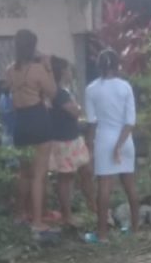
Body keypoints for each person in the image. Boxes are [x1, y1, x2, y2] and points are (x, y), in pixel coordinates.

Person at [6, 30, 57, 236]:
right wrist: (49, 68)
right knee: (38, 175)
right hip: (38, 120)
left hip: (20, 122)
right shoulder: (38, 70)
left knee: (23, 173)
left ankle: (20, 214)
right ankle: (37, 221)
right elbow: (53, 92)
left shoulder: (10, 70)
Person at [85, 49, 139, 243]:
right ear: (117, 65)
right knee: (130, 185)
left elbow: (92, 122)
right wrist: (119, 145)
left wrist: (90, 147)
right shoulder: (125, 87)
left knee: (104, 186)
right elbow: (130, 122)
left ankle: (102, 235)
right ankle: (135, 228)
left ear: (99, 66)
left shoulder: (91, 89)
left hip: (104, 140)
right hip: (125, 140)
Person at [48, 57, 96, 227]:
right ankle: (67, 215)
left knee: (85, 171)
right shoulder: (59, 93)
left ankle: (92, 205)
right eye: (68, 69)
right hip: (65, 140)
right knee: (66, 177)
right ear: (62, 72)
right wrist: (79, 108)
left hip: (72, 138)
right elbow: (75, 112)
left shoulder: (62, 91)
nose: (70, 73)